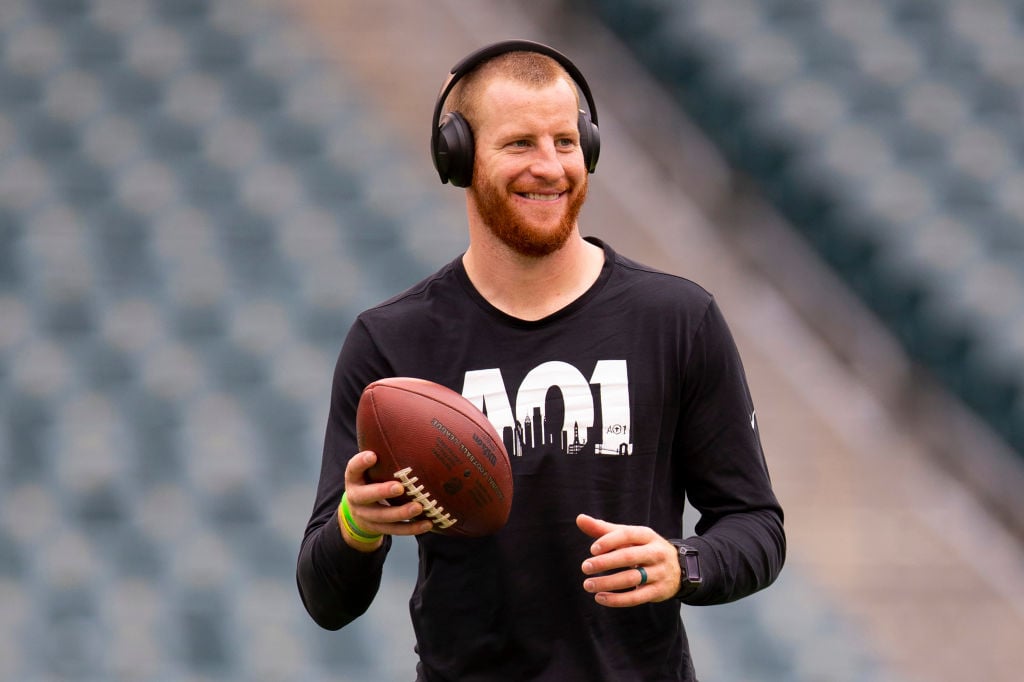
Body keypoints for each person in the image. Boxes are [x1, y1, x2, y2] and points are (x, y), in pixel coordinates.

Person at [297, 39, 785, 681]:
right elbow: (326, 599)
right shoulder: (393, 342)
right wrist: (358, 525)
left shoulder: (676, 319)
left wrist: (682, 562)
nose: (551, 166)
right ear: (460, 155)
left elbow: (756, 527)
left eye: (565, 141)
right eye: (520, 143)